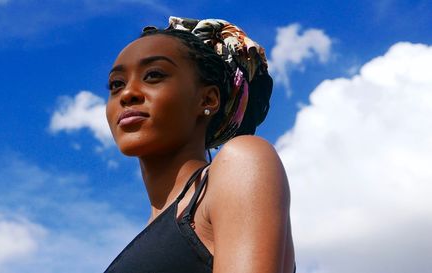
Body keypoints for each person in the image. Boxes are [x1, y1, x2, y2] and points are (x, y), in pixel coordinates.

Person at [104, 16, 295, 273]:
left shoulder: (242, 161)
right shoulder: (146, 235)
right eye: (117, 84)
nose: (127, 94)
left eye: (153, 75)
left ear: (208, 99)